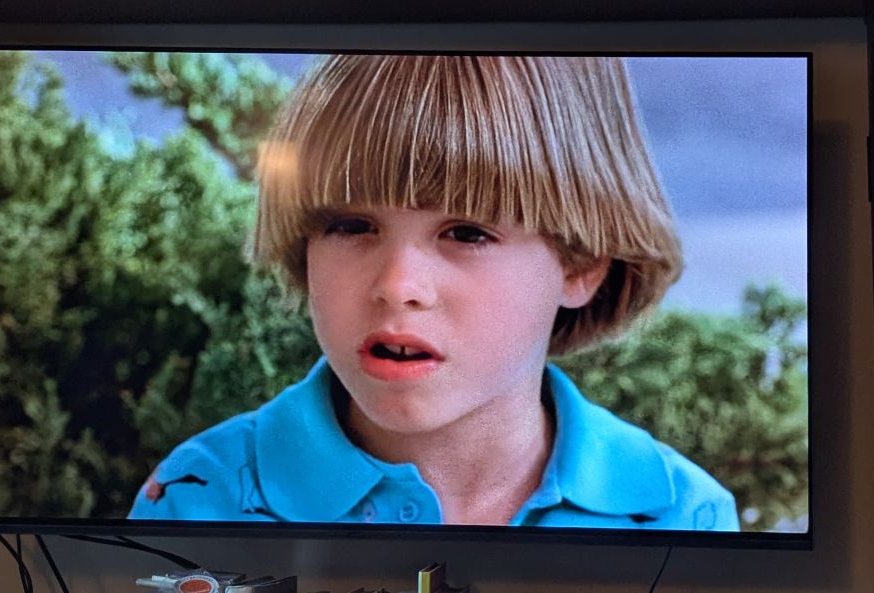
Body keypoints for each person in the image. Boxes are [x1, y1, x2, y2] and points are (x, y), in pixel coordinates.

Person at [129, 54, 739, 530]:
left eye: (467, 232)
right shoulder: (198, 496)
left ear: (581, 265)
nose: (398, 287)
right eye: (351, 225)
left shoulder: (681, 515)